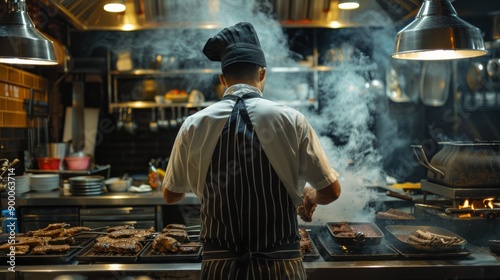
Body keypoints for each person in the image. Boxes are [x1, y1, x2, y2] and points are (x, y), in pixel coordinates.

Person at [163, 22, 341, 280]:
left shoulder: (194, 124)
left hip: (220, 269)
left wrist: (202, 180)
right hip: (280, 268)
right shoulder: (292, 120)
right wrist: (310, 197)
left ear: (223, 80)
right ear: (262, 73)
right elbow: (331, 191)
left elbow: (171, 195)